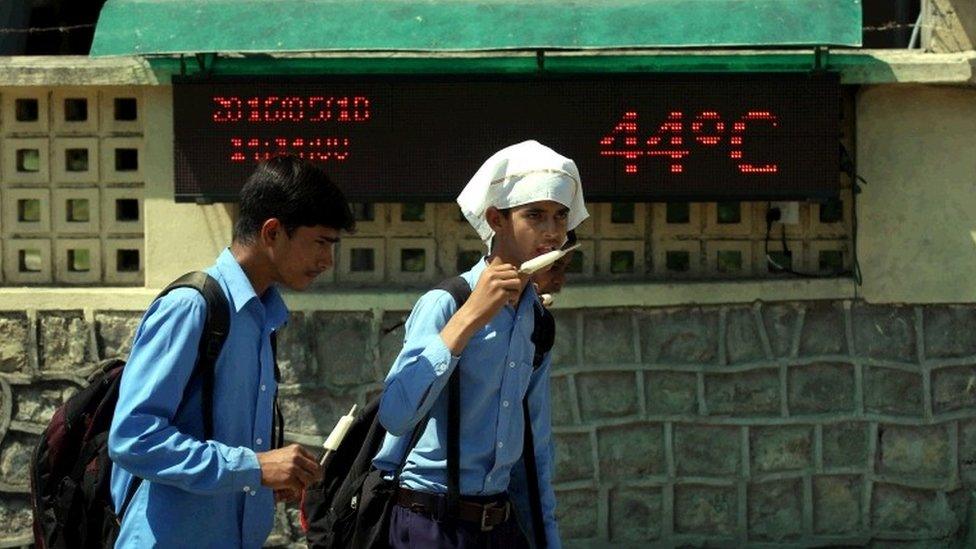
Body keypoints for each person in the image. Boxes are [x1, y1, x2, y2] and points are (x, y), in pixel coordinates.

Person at [108, 155, 356, 548]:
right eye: (321, 243)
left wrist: (268, 477)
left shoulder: (263, 317)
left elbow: (229, 455)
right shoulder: (192, 307)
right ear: (272, 232)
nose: (327, 261)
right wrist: (255, 467)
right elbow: (132, 439)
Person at [372, 140, 588, 548]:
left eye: (560, 217)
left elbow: (535, 450)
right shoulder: (445, 302)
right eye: (535, 215)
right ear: (496, 219)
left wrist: (547, 536)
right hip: (427, 522)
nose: (553, 232)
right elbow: (395, 414)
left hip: (498, 526)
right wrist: (469, 318)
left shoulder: (536, 321)